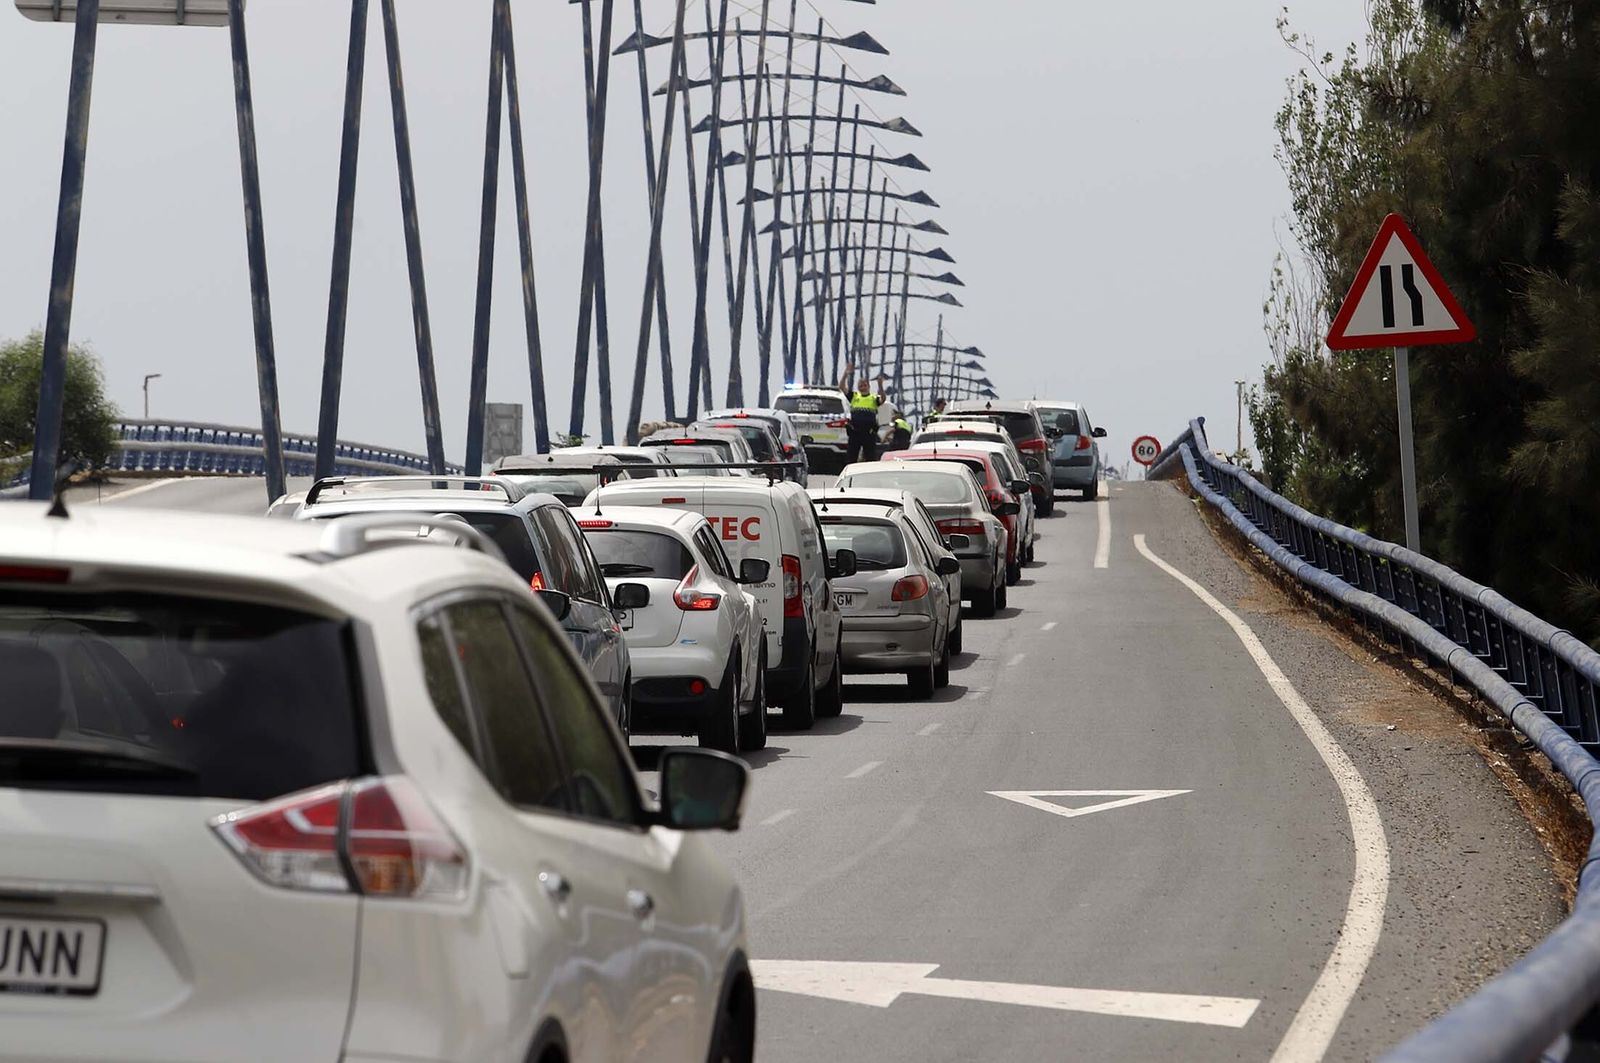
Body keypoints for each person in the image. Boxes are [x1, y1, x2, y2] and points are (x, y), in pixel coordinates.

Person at [839, 365, 887, 464]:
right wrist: (845, 374)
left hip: (869, 433)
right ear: (858, 388)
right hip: (855, 432)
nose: (863, 387)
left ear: (868, 386)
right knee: (851, 458)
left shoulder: (873, 398)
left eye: (865, 385)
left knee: (870, 458)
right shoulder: (854, 396)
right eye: (861, 386)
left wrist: (880, 386)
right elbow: (842, 387)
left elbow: (883, 399)